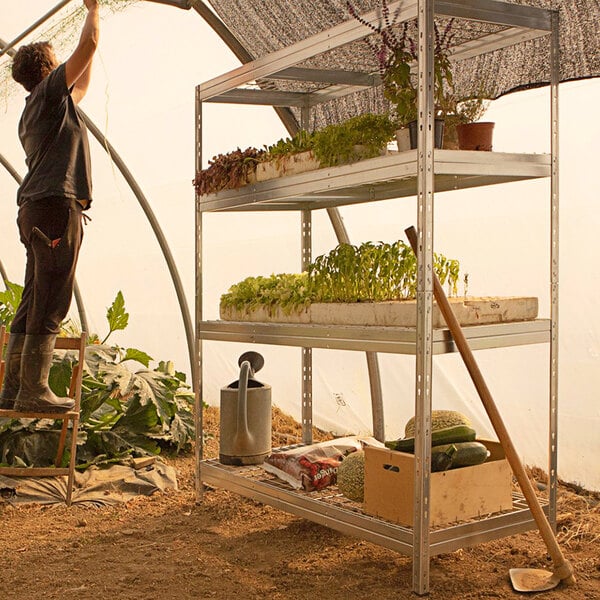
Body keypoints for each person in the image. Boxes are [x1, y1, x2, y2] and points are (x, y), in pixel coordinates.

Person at [0, 0, 99, 413]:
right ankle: (35, 390)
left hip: (36, 208)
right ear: (47, 69)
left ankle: (13, 387)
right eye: (58, 63)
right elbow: (87, 46)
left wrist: (91, 51)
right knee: (52, 297)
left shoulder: (39, 107)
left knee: (32, 298)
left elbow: (83, 82)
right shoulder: (47, 92)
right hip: (56, 206)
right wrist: (93, 11)